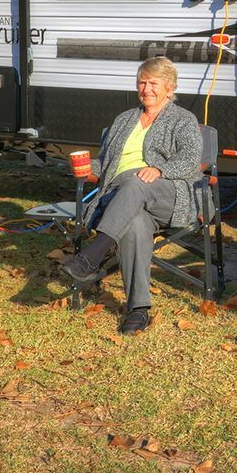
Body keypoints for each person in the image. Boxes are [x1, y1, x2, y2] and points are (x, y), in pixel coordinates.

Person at [57, 57, 204, 335]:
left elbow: (190, 160)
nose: (146, 88)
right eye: (142, 82)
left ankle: (94, 254)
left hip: (168, 191)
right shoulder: (123, 119)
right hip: (123, 195)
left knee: (137, 183)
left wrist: (159, 168)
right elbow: (108, 165)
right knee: (134, 223)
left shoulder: (183, 119)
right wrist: (88, 168)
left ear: (170, 89)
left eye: (154, 83)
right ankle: (138, 309)